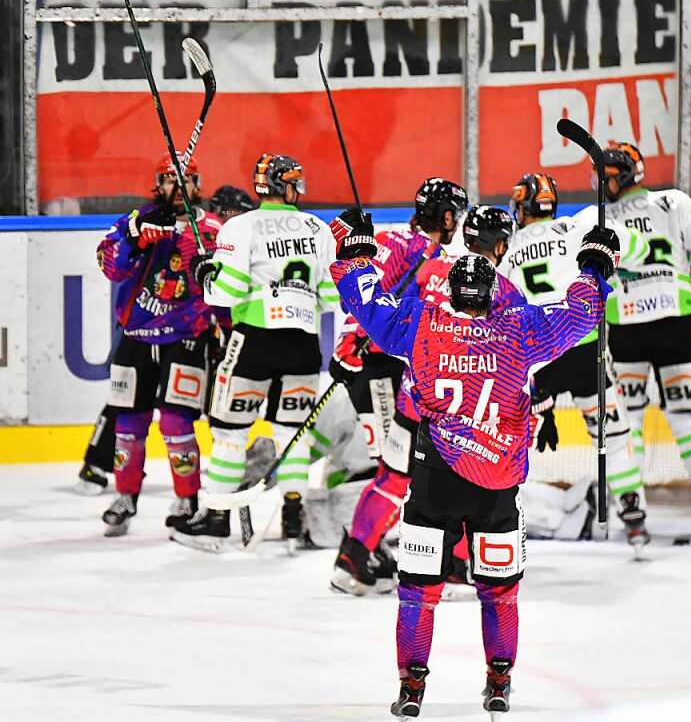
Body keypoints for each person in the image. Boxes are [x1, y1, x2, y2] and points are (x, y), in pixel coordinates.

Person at [329, 205, 618, 719]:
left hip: (435, 484)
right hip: (497, 490)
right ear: (491, 294)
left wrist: (354, 250)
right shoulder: (518, 329)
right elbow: (581, 315)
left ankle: (411, 687)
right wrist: (594, 264)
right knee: (500, 595)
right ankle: (499, 682)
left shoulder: (420, 324)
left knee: (418, 593)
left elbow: (366, 301)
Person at [331, 204, 523, 594]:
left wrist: (354, 337)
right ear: (499, 246)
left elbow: (394, 316)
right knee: (472, 485)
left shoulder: (431, 268)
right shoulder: (503, 290)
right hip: (461, 415)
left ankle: (354, 557)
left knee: (393, 479)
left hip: (413, 400)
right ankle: (454, 566)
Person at [176, 153, 340, 552]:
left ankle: (216, 518)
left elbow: (225, 292)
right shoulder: (319, 228)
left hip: (254, 342)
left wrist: (204, 274)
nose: (299, 188)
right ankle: (292, 513)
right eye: (294, 181)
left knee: (229, 434)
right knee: (292, 435)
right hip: (303, 343)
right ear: (282, 184)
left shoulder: (240, 226)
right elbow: (332, 296)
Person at [498, 172, 652, 546]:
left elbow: (500, 306)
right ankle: (632, 510)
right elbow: (639, 249)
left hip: (537, 355)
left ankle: (498, 514)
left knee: (507, 438)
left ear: (521, 207)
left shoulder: (510, 246)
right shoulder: (577, 227)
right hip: (585, 345)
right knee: (612, 435)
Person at [327, 178, 466, 582]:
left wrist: (348, 339)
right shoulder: (429, 255)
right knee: (399, 472)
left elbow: (356, 291)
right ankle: (357, 555)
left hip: (373, 367)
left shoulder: (387, 239)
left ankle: (366, 549)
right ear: (446, 215)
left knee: (396, 470)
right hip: (381, 369)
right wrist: (354, 339)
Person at [589, 144, 691, 526]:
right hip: (675, 324)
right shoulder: (675, 203)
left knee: (628, 417)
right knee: (687, 414)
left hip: (626, 328)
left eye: (608, 175)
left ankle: (629, 497)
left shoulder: (599, 216)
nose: (602, 182)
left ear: (625, 176)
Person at [95, 154, 223, 535]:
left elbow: (223, 284)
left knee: (176, 422)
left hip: (186, 338)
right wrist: (133, 237)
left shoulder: (213, 229)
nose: (177, 188)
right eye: (169, 180)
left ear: (198, 185)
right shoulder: (137, 220)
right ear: (158, 184)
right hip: (135, 337)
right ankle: (125, 496)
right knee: (128, 424)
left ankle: (187, 497)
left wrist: (187, 241)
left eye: (184, 181)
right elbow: (108, 264)